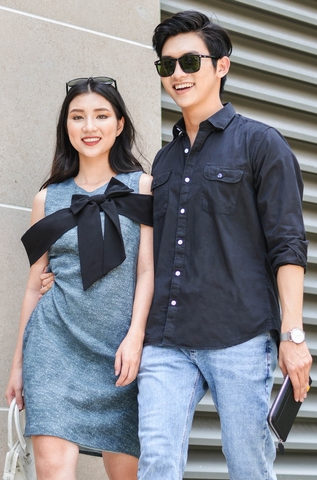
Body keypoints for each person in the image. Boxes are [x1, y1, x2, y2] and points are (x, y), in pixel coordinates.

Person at [135, 10, 313, 480]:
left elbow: (288, 244)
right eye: (166, 65)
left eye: (190, 61)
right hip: (166, 341)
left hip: (238, 336)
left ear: (222, 66)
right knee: (155, 463)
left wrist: (293, 335)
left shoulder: (261, 144)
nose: (177, 74)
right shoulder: (164, 160)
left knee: (249, 468)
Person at [5, 76, 154, 480]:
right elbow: (37, 282)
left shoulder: (141, 187)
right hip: (55, 348)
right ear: (66, 127)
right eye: (78, 117)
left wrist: (136, 337)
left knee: (128, 474)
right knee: (53, 472)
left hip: (120, 351)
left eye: (101, 116)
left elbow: (147, 270)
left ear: (119, 125)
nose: (89, 127)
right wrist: (18, 365)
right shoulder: (47, 198)